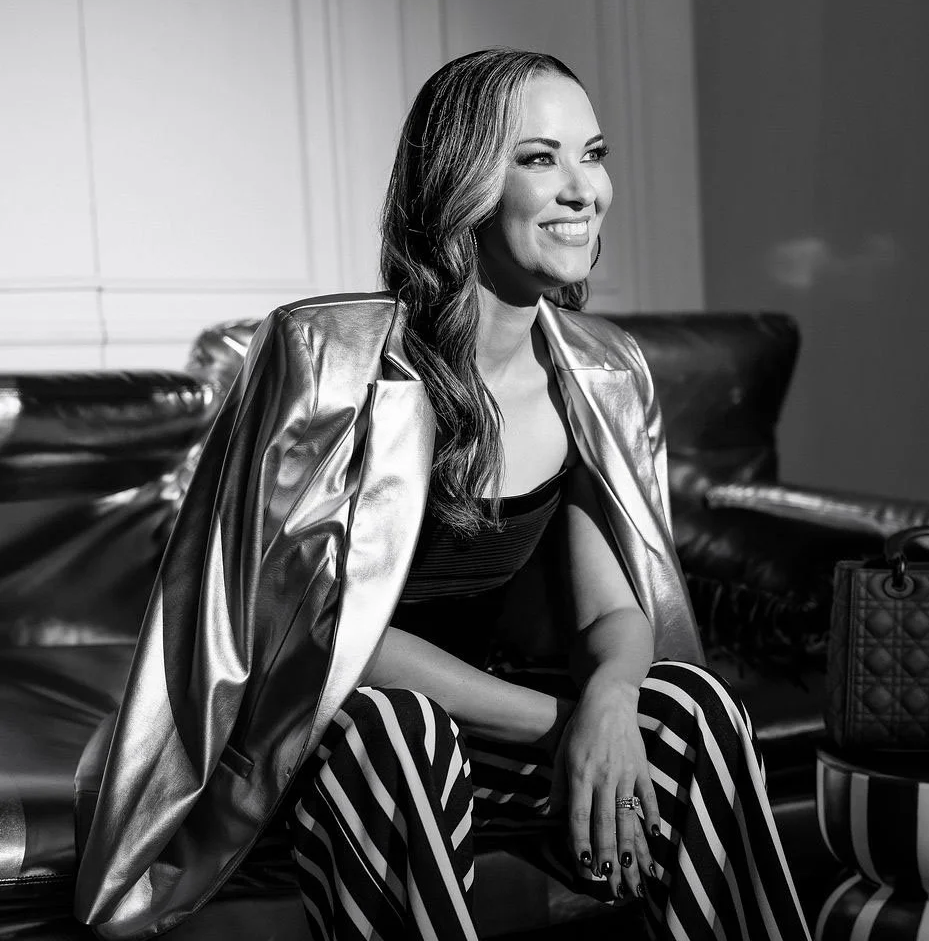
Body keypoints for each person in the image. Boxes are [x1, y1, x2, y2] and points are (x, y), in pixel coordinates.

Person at [74, 48, 811, 941]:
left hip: (477, 728)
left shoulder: (600, 371)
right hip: (311, 733)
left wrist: (614, 702)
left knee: (693, 710)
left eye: (594, 154)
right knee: (398, 731)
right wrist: (567, 722)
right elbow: (322, 640)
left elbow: (611, 614)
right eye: (539, 158)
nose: (584, 189)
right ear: (462, 185)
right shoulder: (327, 361)